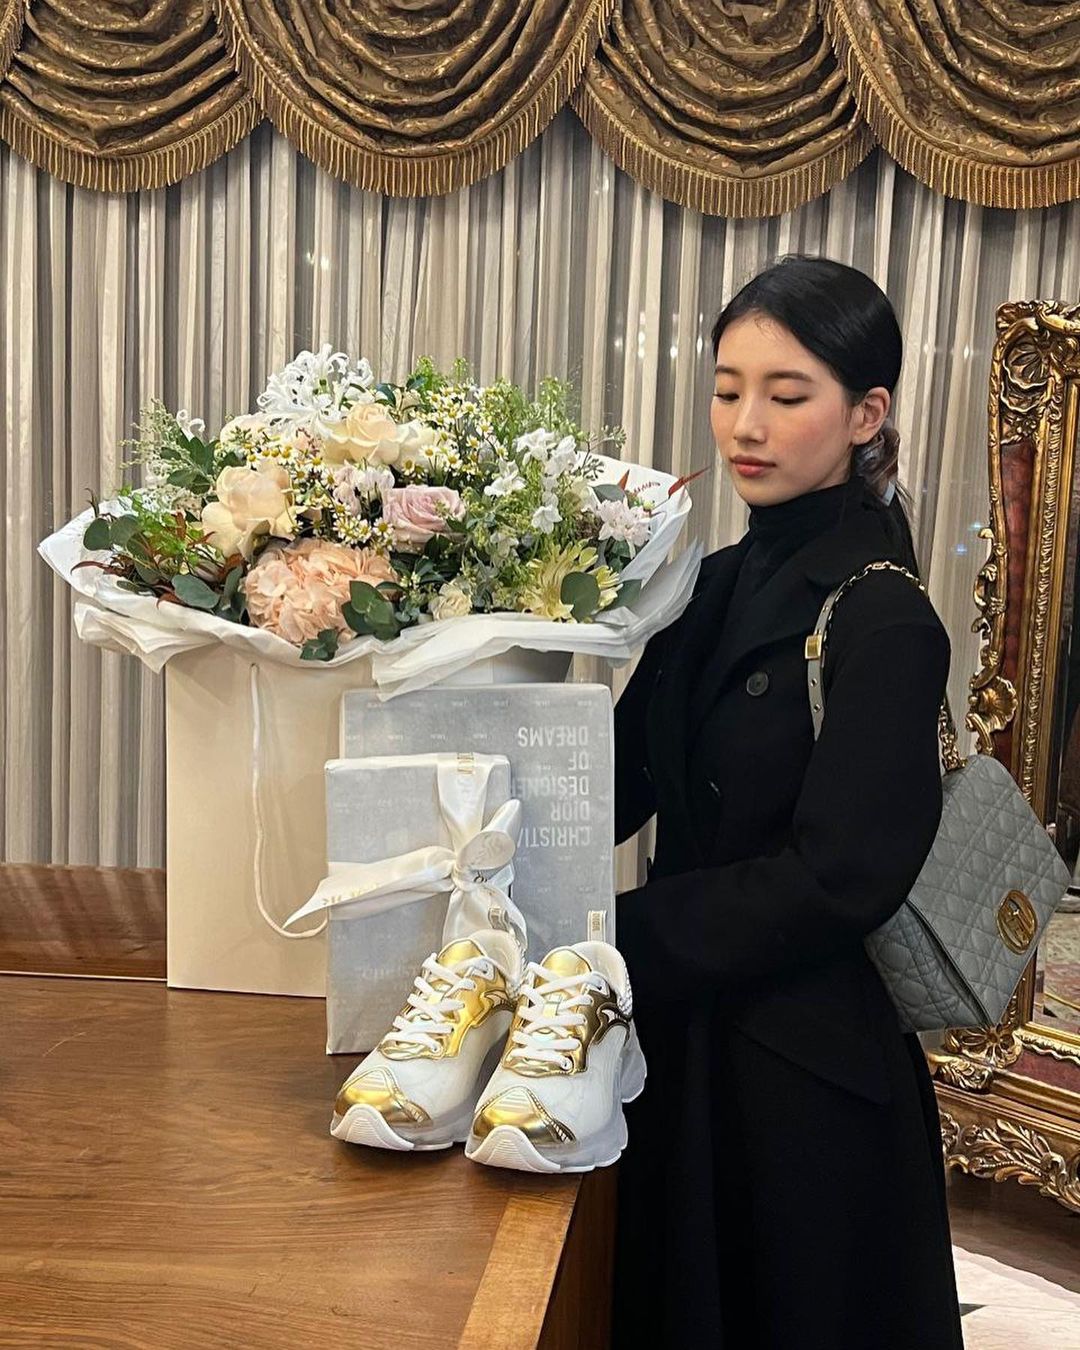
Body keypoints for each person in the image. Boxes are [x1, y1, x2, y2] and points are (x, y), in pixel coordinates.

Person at [610, 255, 965, 1349]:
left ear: (867, 415)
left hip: (800, 1074)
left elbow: (841, 876)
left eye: (786, 393)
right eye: (727, 390)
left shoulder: (884, 617)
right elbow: (626, 776)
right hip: (678, 1037)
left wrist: (619, 935)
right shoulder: (707, 583)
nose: (746, 425)